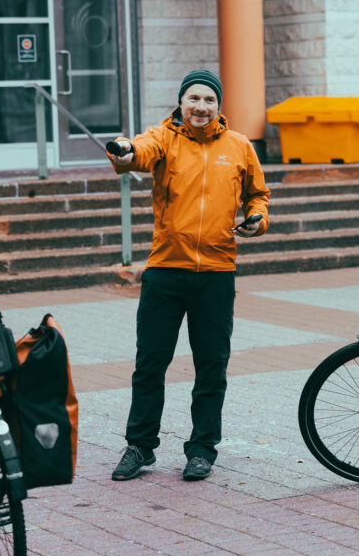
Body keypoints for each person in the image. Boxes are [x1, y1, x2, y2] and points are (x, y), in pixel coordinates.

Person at [107, 68, 270, 482]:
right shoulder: (164, 137)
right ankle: (140, 446)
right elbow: (138, 152)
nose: (201, 107)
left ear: (219, 106)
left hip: (216, 273)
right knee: (150, 363)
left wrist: (256, 218)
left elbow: (258, 196)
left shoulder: (238, 146)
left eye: (209, 100)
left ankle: (201, 450)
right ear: (182, 103)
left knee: (211, 365)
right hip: (165, 269)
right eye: (193, 99)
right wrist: (123, 150)